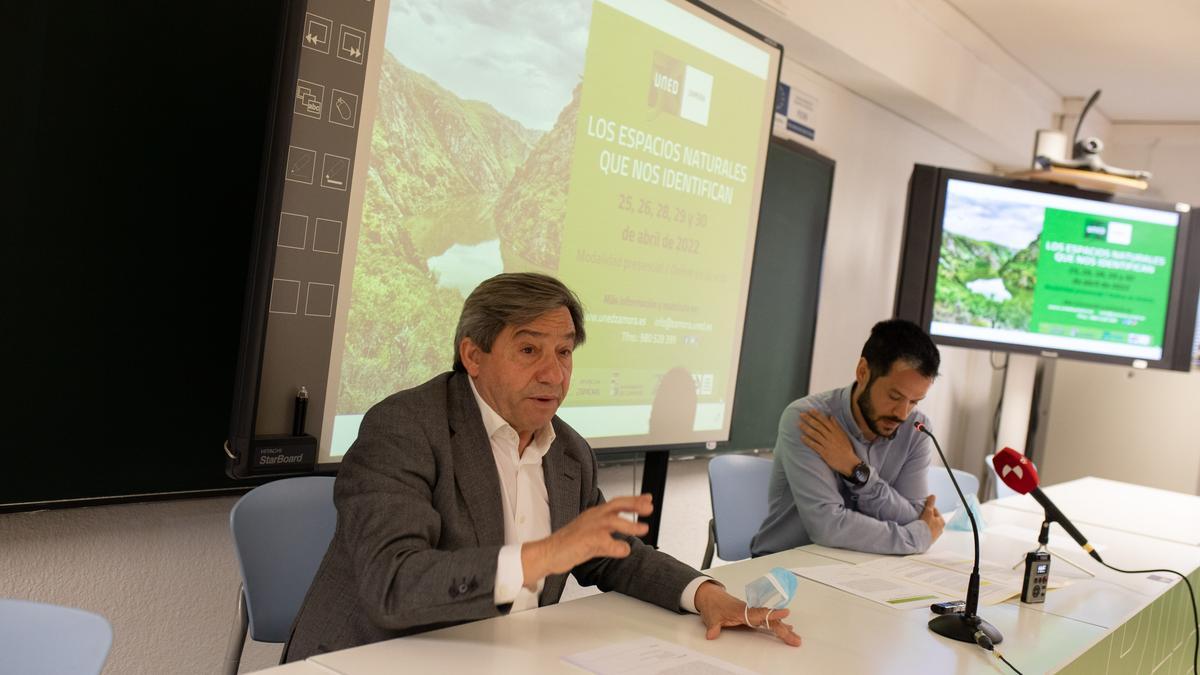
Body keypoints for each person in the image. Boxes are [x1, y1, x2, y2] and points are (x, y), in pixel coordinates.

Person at [284, 273, 801, 661]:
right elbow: (393, 585)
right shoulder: (403, 428)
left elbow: (613, 556)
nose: (553, 373)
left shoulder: (567, 450)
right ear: (473, 355)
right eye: (529, 349)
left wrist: (704, 594)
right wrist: (546, 554)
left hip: (506, 658)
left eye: (564, 352)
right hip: (377, 657)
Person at [750, 319, 946, 557]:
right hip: (789, 565)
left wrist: (857, 471)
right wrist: (916, 538)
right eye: (894, 396)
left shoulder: (917, 428)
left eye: (914, 401)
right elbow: (827, 527)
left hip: (867, 564)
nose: (902, 413)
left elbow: (914, 515)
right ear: (863, 372)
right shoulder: (808, 419)